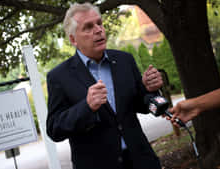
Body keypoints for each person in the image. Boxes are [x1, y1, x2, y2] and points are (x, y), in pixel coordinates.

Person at [46, 3, 163, 169]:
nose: (98, 30)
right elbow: (54, 129)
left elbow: (142, 104)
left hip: (141, 161)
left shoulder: (124, 60)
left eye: (99, 23)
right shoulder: (59, 77)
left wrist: (150, 90)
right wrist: (86, 107)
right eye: (88, 27)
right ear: (73, 39)